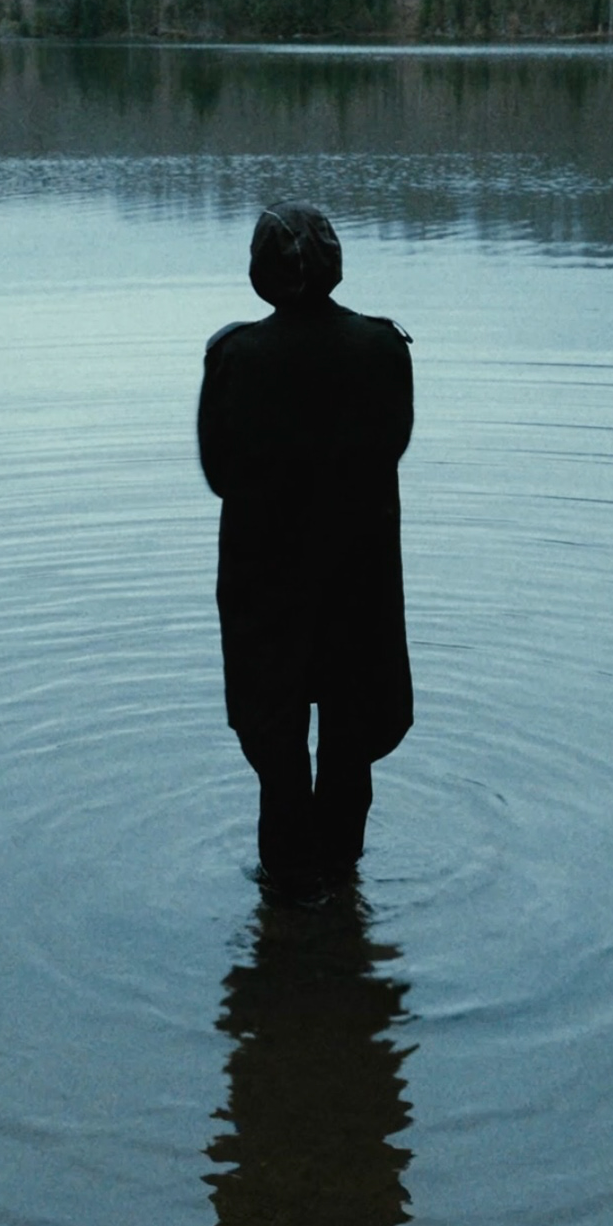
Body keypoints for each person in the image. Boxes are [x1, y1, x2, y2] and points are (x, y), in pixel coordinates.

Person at [198, 202, 413, 894]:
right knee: (350, 748)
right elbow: (393, 444)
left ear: (261, 272)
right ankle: (343, 900)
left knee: (280, 756)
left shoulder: (235, 357)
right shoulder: (384, 348)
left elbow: (219, 474)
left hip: (268, 592)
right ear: (334, 263)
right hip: (359, 586)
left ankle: (288, 911)